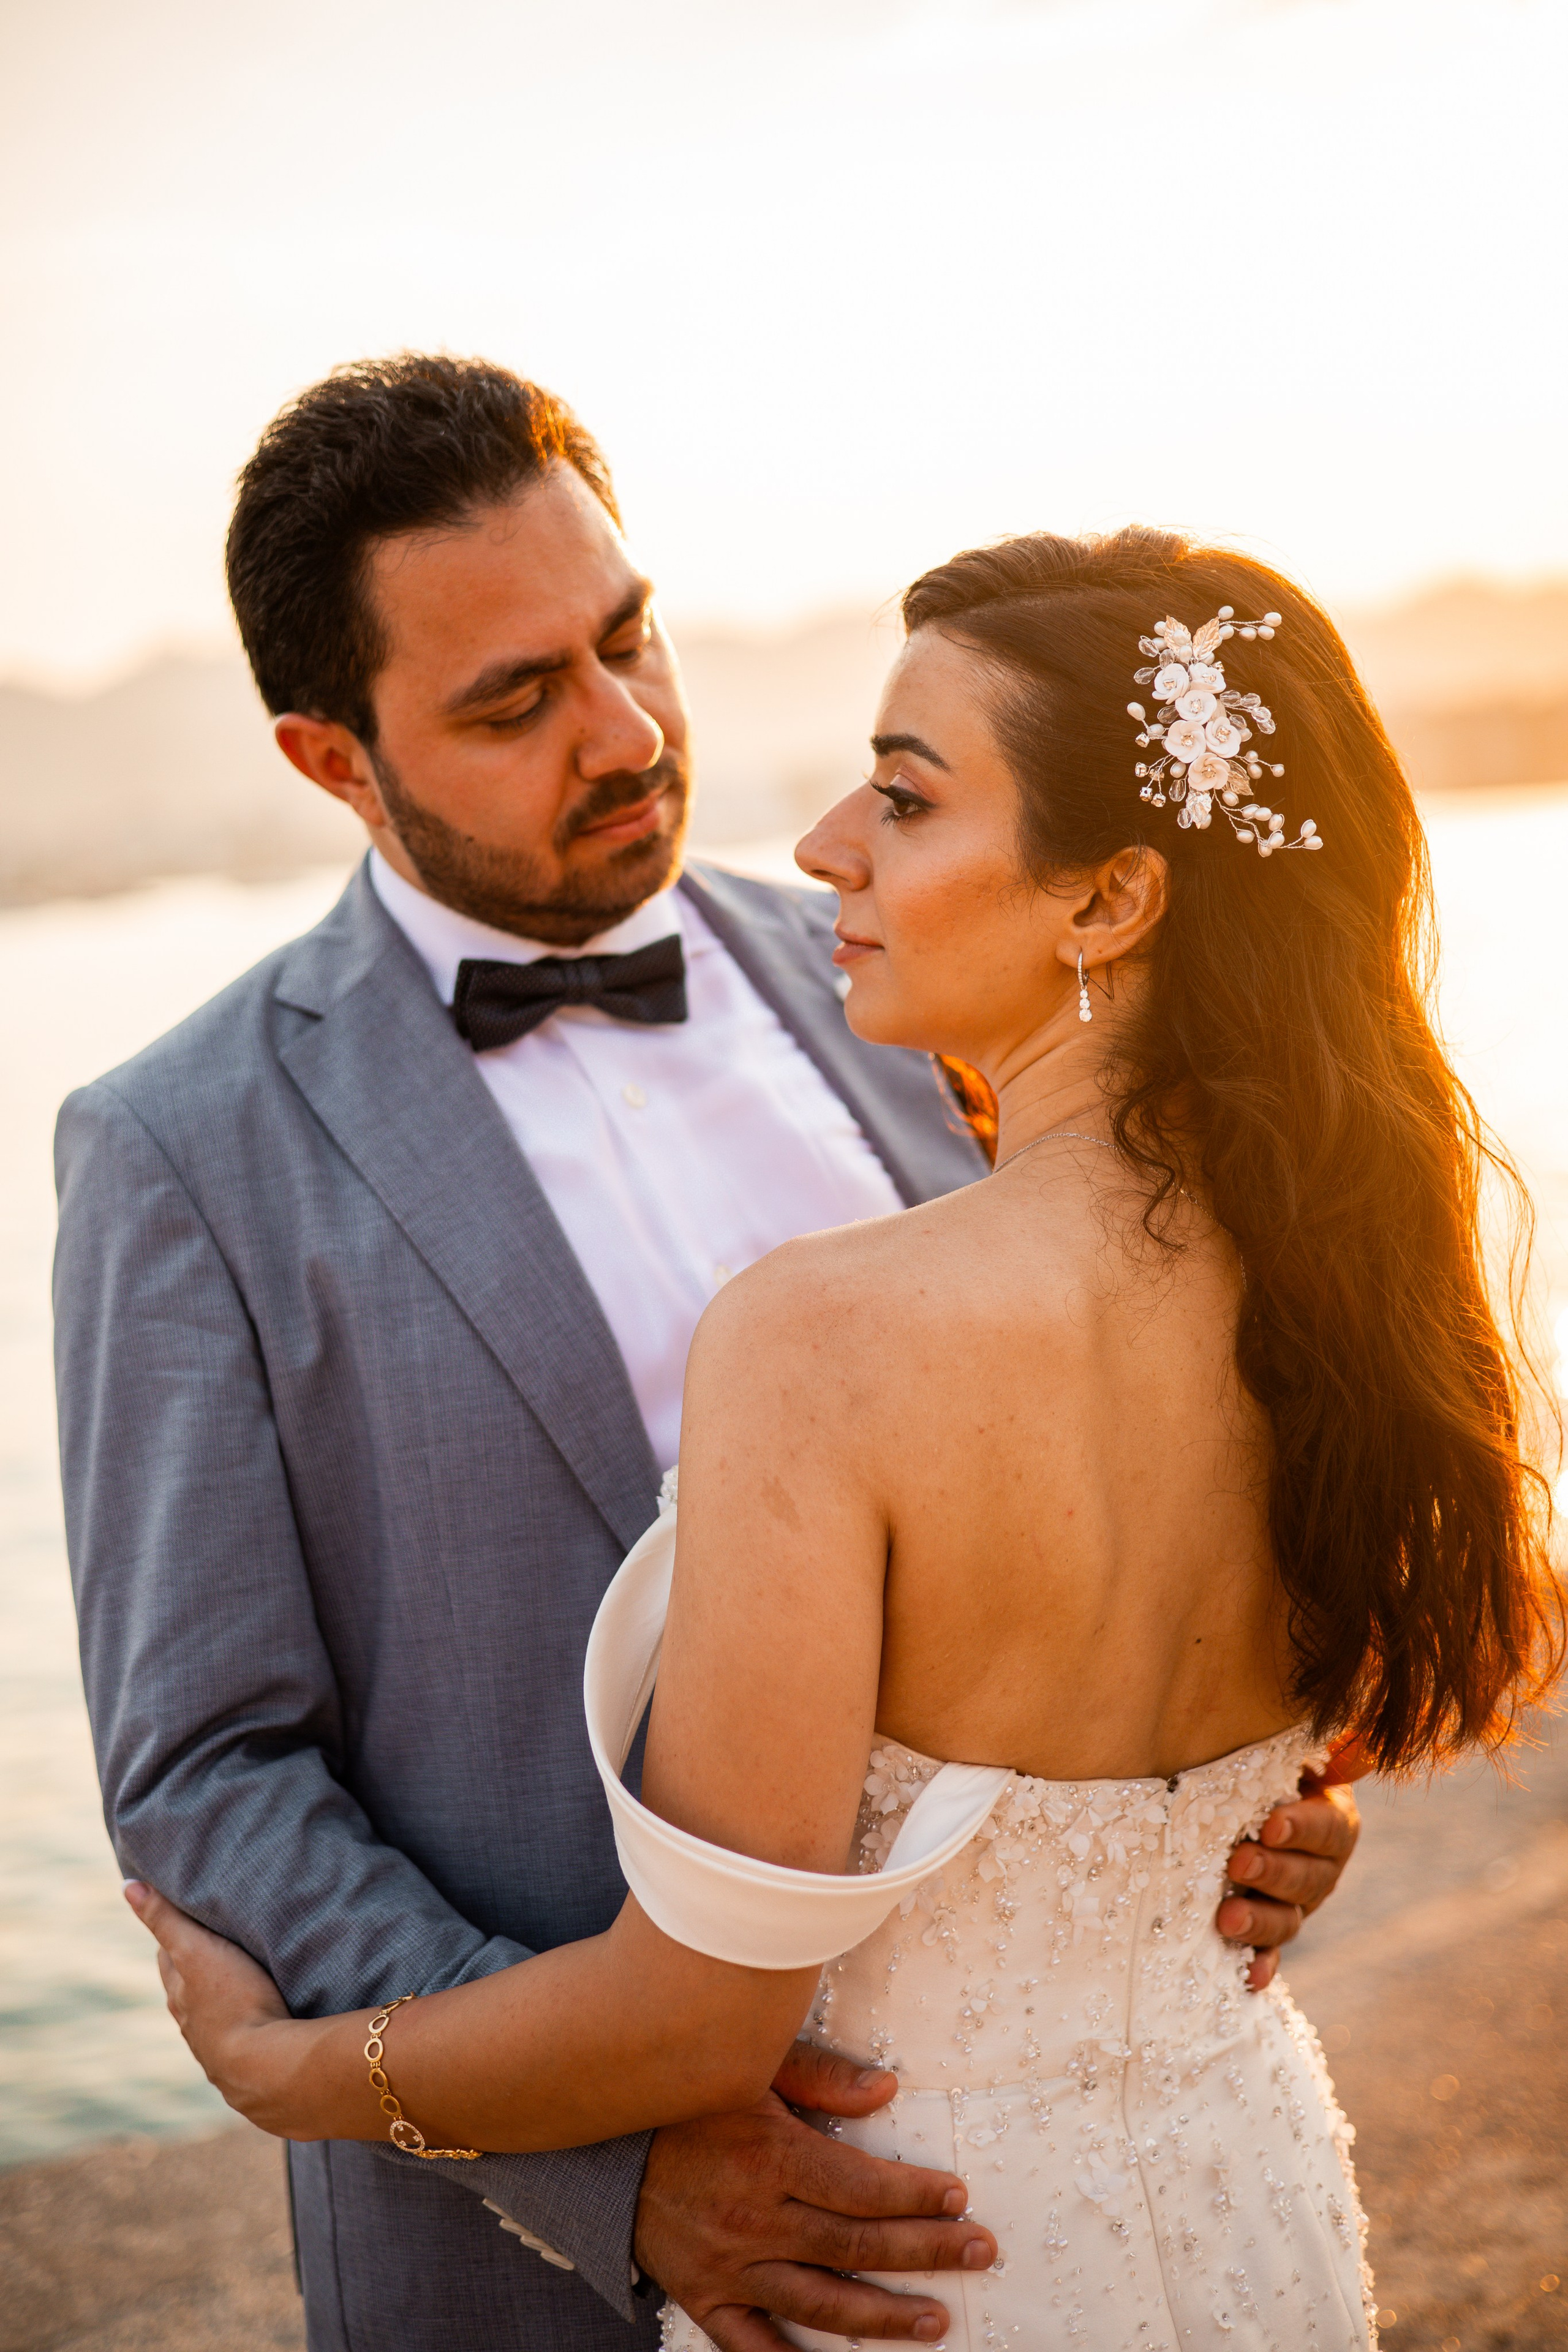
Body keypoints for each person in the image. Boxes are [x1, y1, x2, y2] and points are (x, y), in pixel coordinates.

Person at [58, 358, 1363, 2352]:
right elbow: (206, 1771)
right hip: (506, 2256)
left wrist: (1241, 1806)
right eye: (514, 702)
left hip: (1019, 2199)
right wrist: (607, 2161)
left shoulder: (924, 973)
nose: (628, 729)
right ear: (334, 759)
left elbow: (1134, 1459)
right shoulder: (182, 1149)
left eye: (629, 635)